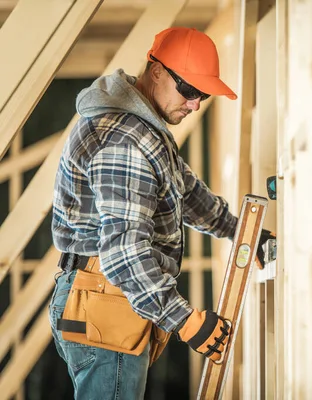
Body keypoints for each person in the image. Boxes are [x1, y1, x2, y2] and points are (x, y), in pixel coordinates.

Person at [48, 27, 273, 399]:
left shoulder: (145, 131)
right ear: (156, 72)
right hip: (109, 296)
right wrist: (186, 322)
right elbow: (124, 256)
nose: (196, 103)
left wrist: (240, 232)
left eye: (202, 94)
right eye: (189, 90)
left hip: (107, 297)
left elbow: (185, 193)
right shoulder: (125, 140)